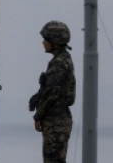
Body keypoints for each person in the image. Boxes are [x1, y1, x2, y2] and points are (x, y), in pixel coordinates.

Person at [28, 20, 76, 163]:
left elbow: (52, 93)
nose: (43, 42)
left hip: (56, 121)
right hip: (57, 120)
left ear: (54, 41)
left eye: (46, 39)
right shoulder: (62, 59)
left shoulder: (59, 63)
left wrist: (38, 115)